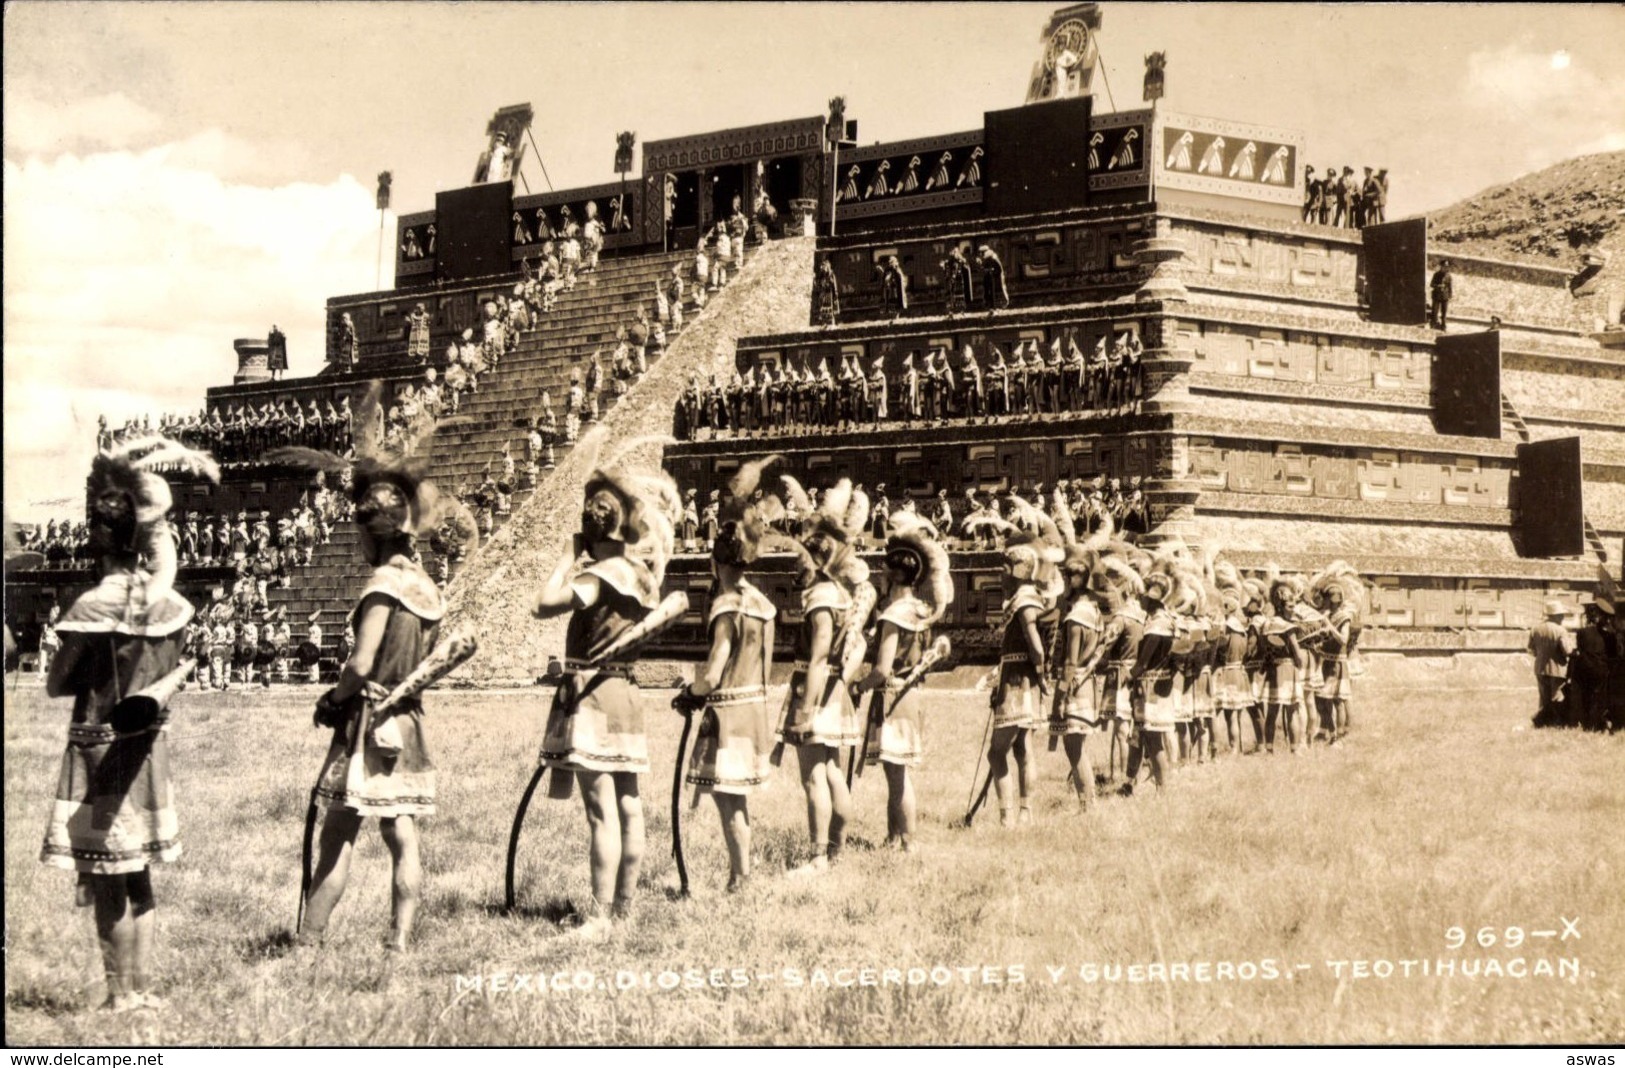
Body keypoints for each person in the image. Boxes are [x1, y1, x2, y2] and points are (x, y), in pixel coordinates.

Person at [40, 434, 217, 1012]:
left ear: (99, 535)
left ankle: (120, 995)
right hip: (147, 751)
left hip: (99, 752)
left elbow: (58, 683)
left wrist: (64, 654)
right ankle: (141, 991)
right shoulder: (167, 602)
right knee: (138, 875)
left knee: (108, 880)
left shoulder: (93, 604)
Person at [293, 448, 454, 952]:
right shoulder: (428, 589)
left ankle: (309, 941)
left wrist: (331, 701)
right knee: (401, 833)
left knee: (337, 834)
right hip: (409, 724)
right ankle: (400, 940)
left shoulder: (383, 583)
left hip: (368, 720)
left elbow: (361, 664)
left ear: (371, 533)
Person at [532, 448, 679, 938]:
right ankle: (624, 907)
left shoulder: (598, 577)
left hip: (592, 694)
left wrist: (567, 560)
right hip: (626, 693)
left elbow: (544, 604)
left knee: (601, 813)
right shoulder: (641, 577)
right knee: (630, 805)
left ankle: (598, 915)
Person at [674, 458, 780, 891]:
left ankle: (740, 878)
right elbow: (769, 667)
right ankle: (743, 873)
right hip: (755, 708)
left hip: (729, 712)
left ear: (717, 565)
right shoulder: (762, 604)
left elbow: (714, 671)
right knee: (737, 797)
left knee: (727, 798)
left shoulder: (725, 604)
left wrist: (690, 693)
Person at [776, 477, 874, 876]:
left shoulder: (820, 598)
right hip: (835, 691)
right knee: (834, 772)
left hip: (815, 690)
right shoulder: (842, 595)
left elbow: (817, 658)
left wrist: (804, 711)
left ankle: (818, 857)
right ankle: (835, 852)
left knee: (814, 777)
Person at [853, 511, 952, 851]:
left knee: (897, 777)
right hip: (910, 697)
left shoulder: (894, 615)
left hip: (893, 697)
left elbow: (882, 668)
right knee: (896, 773)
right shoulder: (920, 611)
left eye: (884, 572)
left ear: (893, 575)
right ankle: (893, 837)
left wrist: (859, 686)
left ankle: (907, 842)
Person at [1050, 535, 1104, 810]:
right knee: (1077, 745)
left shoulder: (1075, 618)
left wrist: (1060, 696)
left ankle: (1088, 804)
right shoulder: (1093, 612)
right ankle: (1088, 800)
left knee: (1074, 747)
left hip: (1074, 686)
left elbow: (1070, 662)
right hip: (1088, 684)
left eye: (1067, 576)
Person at [1528, 600, 1573, 727]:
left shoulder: (1535, 629)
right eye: (1561, 614)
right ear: (1556, 615)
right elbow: (1567, 651)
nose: (1563, 617)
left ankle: (1542, 722)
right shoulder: (1561, 630)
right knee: (1557, 697)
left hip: (1540, 668)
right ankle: (1556, 722)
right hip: (1558, 669)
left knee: (1543, 697)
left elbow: (1531, 649)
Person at [815, 259, 841, 326]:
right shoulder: (822, 276)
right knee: (823, 309)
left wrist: (835, 293)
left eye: (824, 267)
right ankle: (824, 323)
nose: (823, 269)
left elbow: (834, 285)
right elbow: (819, 284)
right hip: (823, 294)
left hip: (830, 294)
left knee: (830, 308)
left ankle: (831, 322)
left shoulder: (831, 274)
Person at [1429, 260, 1454, 331]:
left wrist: (1450, 295)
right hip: (1436, 295)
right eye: (1444, 267)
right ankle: (1433, 325)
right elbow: (1431, 284)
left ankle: (1443, 326)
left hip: (1444, 296)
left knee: (1444, 312)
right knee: (1435, 311)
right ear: (1441, 267)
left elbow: (1450, 286)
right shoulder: (1436, 275)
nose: (1446, 268)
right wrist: (1438, 286)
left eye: (1447, 267)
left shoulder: (1449, 276)